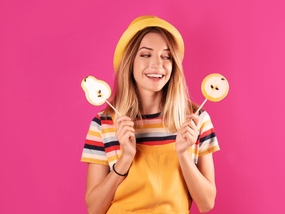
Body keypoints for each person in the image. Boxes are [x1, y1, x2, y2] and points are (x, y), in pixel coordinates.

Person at [81, 15, 220, 213]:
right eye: (146, 55)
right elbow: (94, 208)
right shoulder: (103, 124)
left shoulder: (195, 120)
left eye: (166, 56)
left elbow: (207, 203)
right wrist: (126, 157)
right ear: (130, 61)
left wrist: (183, 154)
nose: (157, 64)